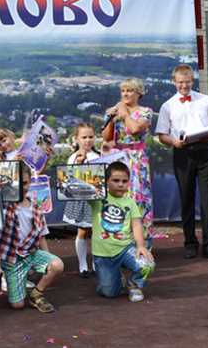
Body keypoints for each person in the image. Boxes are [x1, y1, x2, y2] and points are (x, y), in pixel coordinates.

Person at [155, 64, 208, 261]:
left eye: (187, 82)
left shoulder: (205, 100)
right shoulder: (167, 105)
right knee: (186, 199)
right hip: (182, 153)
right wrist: (174, 142)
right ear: (174, 82)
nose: (184, 86)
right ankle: (189, 243)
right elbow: (162, 134)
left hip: (205, 152)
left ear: (192, 81)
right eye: (180, 82)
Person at [0, 164, 64, 313]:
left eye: (26, 183)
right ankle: (13, 281)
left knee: (57, 264)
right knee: (17, 305)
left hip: (31, 253)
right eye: (18, 183)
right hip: (13, 258)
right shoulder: (4, 205)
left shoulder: (35, 206)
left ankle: (37, 293)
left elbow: (41, 235)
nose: (22, 187)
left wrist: (48, 260)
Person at [89, 161, 155, 301]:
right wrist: (81, 165)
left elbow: (136, 225)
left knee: (147, 264)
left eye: (124, 181)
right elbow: (81, 188)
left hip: (125, 249)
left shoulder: (130, 202)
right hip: (103, 255)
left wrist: (141, 246)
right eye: (116, 180)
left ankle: (134, 285)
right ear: (106, 181)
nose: (120, 184)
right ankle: (116, 278)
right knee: (109, 293)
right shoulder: (97, 198)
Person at [102, 78, 154, 228]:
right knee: (118, 195)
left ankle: (141, 238)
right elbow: (106, 137)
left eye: (130, 90)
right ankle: (119, 236)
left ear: (139, 93)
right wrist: (111, 119)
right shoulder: (114, 111)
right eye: (123, 91)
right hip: (118, 157)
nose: (125, 94)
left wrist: (124, 115)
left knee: (138, 195)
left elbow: (135, 129)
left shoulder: (145, 112)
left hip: (137, 157)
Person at [62, 123, 101, 277]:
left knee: (98, 232)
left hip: (97, 199)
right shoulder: (73, 157)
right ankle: (83, 265)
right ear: (76, 139)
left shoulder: (98, 155)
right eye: (84, 137)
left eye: (91, 137)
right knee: (83, 231)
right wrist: (79, 163)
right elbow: (69, 179)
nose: (87, 140)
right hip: (82, 199)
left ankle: (97, 264)